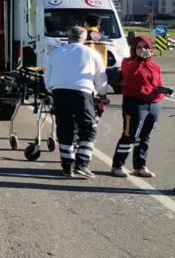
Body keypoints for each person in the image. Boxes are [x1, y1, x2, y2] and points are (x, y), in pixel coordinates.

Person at [45, 25, 110, 178]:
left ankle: (67, 165)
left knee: (65, 128)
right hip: (81, 92)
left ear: (68, 36)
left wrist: (52, 90)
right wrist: (103, 94)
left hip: (59, 93)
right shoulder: (92, 54)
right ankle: (82, 163)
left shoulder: (55, 53)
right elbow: (100, 79)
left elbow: (47, 77)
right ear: (85, 38)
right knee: (88, 128)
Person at [110, 36, 172, 177]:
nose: (143, 50)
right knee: (129, 135)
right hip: (135, 103)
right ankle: (117, 165)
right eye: (139, 47)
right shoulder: (128, 62)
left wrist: (163, 90)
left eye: (146, 47)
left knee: (145, 137)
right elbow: (131, 74)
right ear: (134, 49)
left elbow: (157, 84)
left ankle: (140, 166)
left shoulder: (155, 66)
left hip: (154, 103)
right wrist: (140, 60)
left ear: (151, 49)